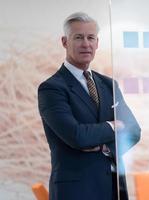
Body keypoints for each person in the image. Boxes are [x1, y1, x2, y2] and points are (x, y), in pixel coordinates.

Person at [38, 12, 141, 200]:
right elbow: (77, 136)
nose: (86, 44)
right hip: (77, 191)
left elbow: (134, 131)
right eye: (78, 37)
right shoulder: (51, 89)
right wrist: (112, 126)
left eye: (90, 37)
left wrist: (105, 147)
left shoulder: (109, 84)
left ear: (97, 43)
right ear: (64, 42)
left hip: (114, 187)